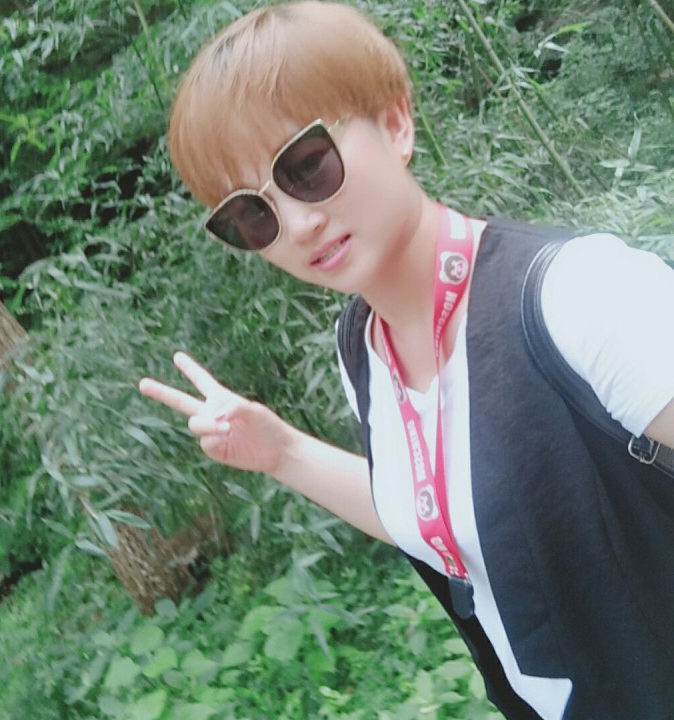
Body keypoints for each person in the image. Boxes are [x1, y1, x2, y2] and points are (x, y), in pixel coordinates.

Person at [138, 2, 674, 718]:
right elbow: (438, 515)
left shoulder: (575, 294)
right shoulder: (363, 348)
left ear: (395, 123)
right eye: (251, 214)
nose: (297, 224)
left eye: (306, 165)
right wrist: (283, 452)